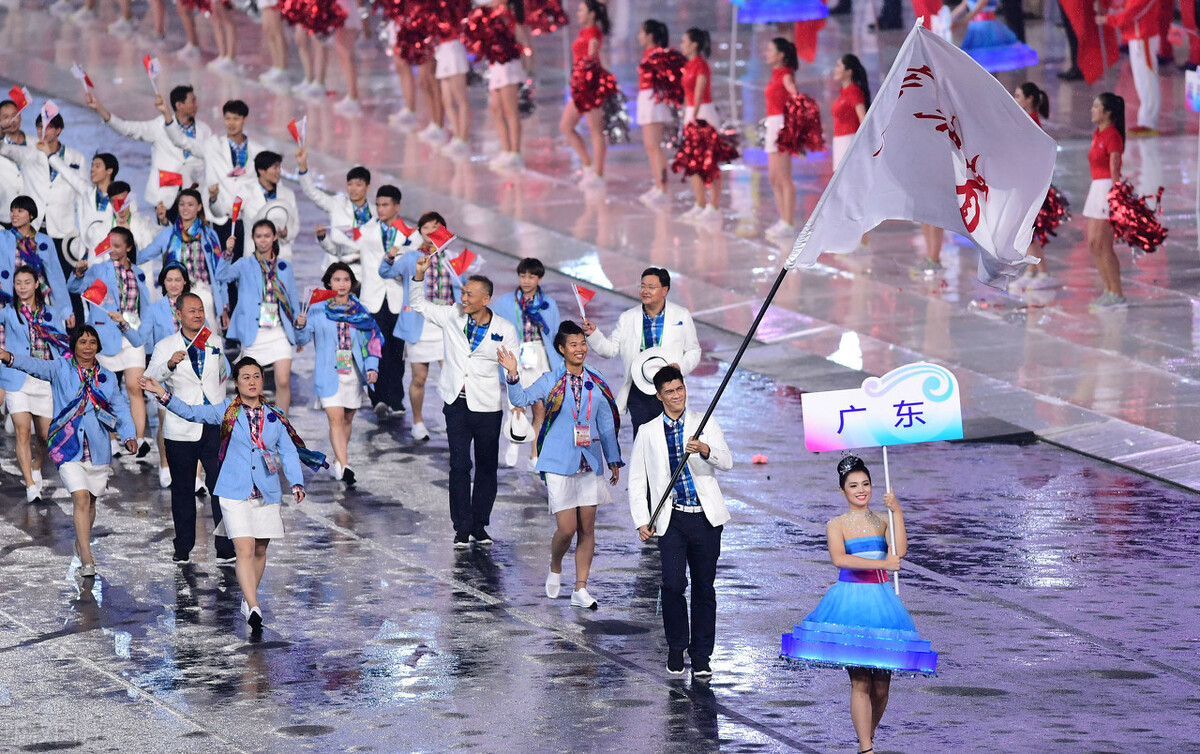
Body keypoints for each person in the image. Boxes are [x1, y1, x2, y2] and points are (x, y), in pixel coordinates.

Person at [144, 357, 321, 631]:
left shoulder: (275, 415)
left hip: (266, 490)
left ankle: (248, 598)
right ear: (236, 382)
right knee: (245, 548)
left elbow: (286, 451)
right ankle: (253, 604)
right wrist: (164, 395)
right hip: (232, 491)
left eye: (256, 376)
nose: (252, 381)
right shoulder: (226, 410)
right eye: (246, 377)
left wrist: (297, 483)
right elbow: (192, 412)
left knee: (260, 549)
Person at [780, 456, 937, 754]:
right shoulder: (836, 524)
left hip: (881, 602)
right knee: (861, 680)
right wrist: (881, 562)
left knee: (882, 685)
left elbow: (900, 550)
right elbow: (839, 559)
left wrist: (897, 512)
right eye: (853, 485)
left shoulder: (881, 520)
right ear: (843, 491)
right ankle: (866, 748)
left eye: (865, 484)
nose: (861, 490)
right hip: (850, 601)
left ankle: (868, 736)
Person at [500, 321, 621, 608]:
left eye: (582, 343)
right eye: (574, 345)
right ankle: (555, 564)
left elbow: (605, 422)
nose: (580, 349)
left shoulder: (597, 379)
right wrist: (513, 372)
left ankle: (580, 588)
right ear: (561, 349)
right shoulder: (550, 379)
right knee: (567, 528)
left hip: (589, 459)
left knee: (587, 527)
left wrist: (613, 458)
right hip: (557, 461)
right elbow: (521, 398)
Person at [0, 327, 137, 578]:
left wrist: (129, 435)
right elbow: (34, 366)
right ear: (73, 345)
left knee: (91, 500)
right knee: (81, 497)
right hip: (67, 447)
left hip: (97, 449)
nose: (87, 346)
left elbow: (120, 407)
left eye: (92, 342)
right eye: (82, 341)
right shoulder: (60, 368)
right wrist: (8, 357)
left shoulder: (106, 376)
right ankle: (86, 555)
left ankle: (81, 541)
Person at [627, 366, 732, 679]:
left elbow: (727, 461)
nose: (676, 396)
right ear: (659, 396)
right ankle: (676, 647)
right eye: (669, 392)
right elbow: (637, 479)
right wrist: (641, 521)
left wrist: (705, 449)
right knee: (672, 585)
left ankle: (701, 656)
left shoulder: (705, 422)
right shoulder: (647, 431)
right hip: (671, 520)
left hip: (705, 518)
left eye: (680, 389)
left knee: (704, 588)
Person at [407, 251, 519, 547]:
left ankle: (479, 524)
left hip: (487, 407)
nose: (464, 298)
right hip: (455, 403)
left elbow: (514, 368)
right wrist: (420, 274)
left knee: (486, 466)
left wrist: (513, 379)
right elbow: (418, 304)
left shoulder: (505, 329)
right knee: (458, 465)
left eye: (470, 294)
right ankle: (461, 526)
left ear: (486, 299)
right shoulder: (452, 315)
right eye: (463, 292)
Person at [145, 291, 238, 565]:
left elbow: (225, 375)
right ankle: (183, 547)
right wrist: (170, 365)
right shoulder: (165, 345)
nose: (198, 314)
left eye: (201, 310)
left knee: (221, 487)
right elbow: (149, 379)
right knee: (183, 490)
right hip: (180, 427)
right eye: (192, 310)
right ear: (179, 315)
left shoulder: (214, 340)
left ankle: (225, 546)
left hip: (215, 425)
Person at [582, 267, 701, 437]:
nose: (645, 291)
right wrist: (593, 334)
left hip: (670, 388)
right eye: (642, 286)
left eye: (651, 287)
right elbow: (610, 349)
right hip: (639, 393)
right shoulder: (628, 318)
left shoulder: (681, 315)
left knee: (671, 439)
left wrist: (680, 366)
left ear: (664, 290)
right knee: (643, 442)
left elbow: (693, 350)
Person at [379, 212, 464, 441]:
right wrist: (389, 256)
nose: (430, 231)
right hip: (420, 325)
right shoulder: (411, 258)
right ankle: (418, 422)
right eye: (425, 227)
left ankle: (454, 421)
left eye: (435, 226)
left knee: (454, 375)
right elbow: (385, 272)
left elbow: (463, 286)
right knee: (419, 377)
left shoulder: (453, 258)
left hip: (447, 325)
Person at [68, 228, 153, 458]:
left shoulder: (138, 272)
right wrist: (77, 273)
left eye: (117, 246)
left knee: (136, 387)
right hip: (106, 336)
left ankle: (138, 438)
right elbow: (74, 288)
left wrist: (147, 335)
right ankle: (113, 436)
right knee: (105, 391)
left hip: (131, 335)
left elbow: (145, 306)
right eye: (110, 245)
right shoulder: (98, 269)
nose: (112, 250)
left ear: (128, 247)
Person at [295, 262, 382, 484]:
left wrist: (372, 367)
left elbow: (372, 342)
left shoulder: (360, 312)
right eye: (337, 279)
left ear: (352, 284)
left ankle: (337, 461)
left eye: (346, 280)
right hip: (327, 373)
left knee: (347, 418)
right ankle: (345, 465)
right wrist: (301, 326)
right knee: (335, 418)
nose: (342, 284)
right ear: (328, 283)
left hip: (352, 374)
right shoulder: (316, 309)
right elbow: (302, 340)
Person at [0, 110, 86, 309]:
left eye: (47, 127)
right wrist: (2, 130)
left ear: (59, 130)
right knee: (30, 283)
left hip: (64, 231)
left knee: (67, 284)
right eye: (39, 127)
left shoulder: (76, 157)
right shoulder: (30, 154)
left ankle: (75, 332)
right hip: (35, 230)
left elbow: (83, 196)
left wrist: (83, 233)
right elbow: (4, 149)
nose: (42, 131)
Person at [0, 265, 69, 503]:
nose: (22, 287)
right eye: (18, 283)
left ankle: (37, 465)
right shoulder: (9, 312)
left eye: (27, 282)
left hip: (44, 379)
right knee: (22, 430)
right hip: (16, 378)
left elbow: (63, 346)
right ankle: (30, 484)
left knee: (44, 436)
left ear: (36, 284)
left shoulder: (50, 313)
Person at [346, 184, 415, 419]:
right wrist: (324, 238)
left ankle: (396, 398)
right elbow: (343, 245)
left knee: (396, 350)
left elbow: (417, 260)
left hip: (397, 298)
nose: (381, 209)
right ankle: (378, 398)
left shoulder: (410, 235)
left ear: (397, 206)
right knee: (374, 348)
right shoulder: (365, 230)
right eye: (378, 205)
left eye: (385, 205)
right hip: (372, 298)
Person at [217, 220, 299, 412]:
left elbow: (292, 301)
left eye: (267, 236)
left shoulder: (284, 267)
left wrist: (298, 333)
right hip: (254, 334)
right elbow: (222, 276)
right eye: (258, 236)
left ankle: (282, 427)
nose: (263, 241)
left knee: (283, 380)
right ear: (253, 238)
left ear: (275, 237)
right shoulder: (244, 264)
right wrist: (228, 253)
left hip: (279, 331)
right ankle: (255, 426)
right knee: (251, 388)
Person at [86, 85, 210, 209]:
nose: (197, 105)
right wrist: (100, 109)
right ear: (179, 105)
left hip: (194, 195)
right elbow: (127, 128)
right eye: (192, 101)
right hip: (166, 197)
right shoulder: (159, 126)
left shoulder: (204, 130)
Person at [494, 257, 561, 470]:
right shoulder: (505, 302)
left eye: (531, 276)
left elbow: (556, 333)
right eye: (523, 275)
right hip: (517, 355)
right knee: (517, 404)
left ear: (539, 278)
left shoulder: (548, 304)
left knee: (540, 407)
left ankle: (535, 453)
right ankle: (514, 440)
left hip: (540, 356)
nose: (526, 280)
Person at [138, 189, 225, 328]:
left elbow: (220, 272)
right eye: (182, 204)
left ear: (199, 207)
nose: (185, 208)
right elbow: (141, 257)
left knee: (206, 343)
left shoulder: (209, 235)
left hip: (204, 296)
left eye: (190, 204)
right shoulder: (167, 235)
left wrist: (224, 306)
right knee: (178, 343)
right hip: (176, 297)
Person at [145, 262, 192, 489]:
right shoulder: (154, 309)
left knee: (194, 421)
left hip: (191, 370)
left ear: (185, 282)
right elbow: (143, 340)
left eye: (177, 279)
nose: (173, 284)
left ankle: (195, 474)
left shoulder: (193, 305)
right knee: (166, 421)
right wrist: (124, 325)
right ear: (163, 283)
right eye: (169, 280)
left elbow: (206, 333)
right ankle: (165, 465)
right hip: (166, 370)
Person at [1010, 82, 1058, 291]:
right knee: (1025, 230)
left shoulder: (1031, 123)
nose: (1015, 99)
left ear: (1029, 100)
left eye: (1018, 96)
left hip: (1029, 184)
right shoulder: (1028, 121)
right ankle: (1031, 270)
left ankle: (1044, 272)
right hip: (1026, 182)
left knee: (1027, 230)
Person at [678, 27, 728, 224]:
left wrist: (695, 116)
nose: (681, 45)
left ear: (694, 44)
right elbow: (687, 95)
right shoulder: (688, 65)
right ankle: (699, 203)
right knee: (693, 162)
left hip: (703, 114)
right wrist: (686, 114)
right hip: (691, 112)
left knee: (709, 161)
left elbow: (699, 92)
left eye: (684, 41)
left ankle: (714, 206)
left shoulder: (701, 65)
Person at [561, 0, 614, 188]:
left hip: (589, 86)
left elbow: (592, 57)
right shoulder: (583, 32)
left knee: (596, 131)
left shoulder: (593, 32)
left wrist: (587, 78)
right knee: (566, 126)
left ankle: (598, 174)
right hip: (579, 85)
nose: (578, 13)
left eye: (582, 10)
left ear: (592, 14)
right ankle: (588, 165)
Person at [214, 151, 301, 260]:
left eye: (279, 168)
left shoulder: (288, 194)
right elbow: (223, 212)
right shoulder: (245, 192)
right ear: (261, 171)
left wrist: (286, 233)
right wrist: (213, 199)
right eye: (275, 168)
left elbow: (295, 224)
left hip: (282, 258)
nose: (279, 172)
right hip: (253, 258)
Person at [0, 196, 74, 325]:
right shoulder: (2, 237)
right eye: (12, 210)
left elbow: (55, 277)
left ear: (31, 215)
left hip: (35, 301)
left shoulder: (43, 241)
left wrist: (65, 310)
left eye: (20, 210)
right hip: (7, 301)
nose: (14, 215)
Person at [297, 146, 372, 271]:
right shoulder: (337, 204)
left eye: (358, 185)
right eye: (350, 185)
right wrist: (303, 167)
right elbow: (312, 193)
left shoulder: (375, 213)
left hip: (363, 273)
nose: (353, 189)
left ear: (367, 187)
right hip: (337, 270)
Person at [1083, 93, 1127, 310]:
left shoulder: (1112, 136)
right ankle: (1108, 290)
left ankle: (1116, 293)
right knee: (1093, 244)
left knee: (1104, 244)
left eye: (1096, 106)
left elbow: (1115, 168)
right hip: (1095, 189)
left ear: (1108, 112)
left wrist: (1117, 198)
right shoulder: (1097, 133)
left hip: (1107, 189)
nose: (1092, 110)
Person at [1100, 0, 1161, 137]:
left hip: (1143, 36)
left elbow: (1132, 12)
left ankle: (1149, 122)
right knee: (1142, 80)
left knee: (1147, 80)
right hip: (1136, 36)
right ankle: (1146, 120)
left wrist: (1108, 19)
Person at [483, 0, 528, 170]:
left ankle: (515, 152)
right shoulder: (492, 17)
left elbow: (522, 41)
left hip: (508, 66)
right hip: (497, 66)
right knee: (496, 109)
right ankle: (506, 149)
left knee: (511, 110)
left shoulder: (509, 18)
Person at [764, 37, 799, 239]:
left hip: (782, 126)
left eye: (770, 50)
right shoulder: (774, 74)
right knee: (773, 177)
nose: (766, 53)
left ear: (781, 55)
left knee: (784, 177)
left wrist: (791, 127)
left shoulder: (786, 75)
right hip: (772, 124)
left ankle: (789, 221)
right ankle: (782, 219)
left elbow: (797, 100)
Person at [636, 19, 674, 205]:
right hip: (645, 98)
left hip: (654, 100)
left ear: (650, 36)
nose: (639, 36)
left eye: (642, 32)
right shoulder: (647, 54)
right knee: (649, 146)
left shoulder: (658, 55)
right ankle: (658, 184)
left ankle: (663, 187)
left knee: (655, 145)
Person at [433, 1, 473, 156]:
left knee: (461, 99)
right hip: (443, 50)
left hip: (454, 48)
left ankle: (463, 139)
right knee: (447, 100)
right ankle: (457, 137)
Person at [830, 54, 869, 170]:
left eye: (838, 66)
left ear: (848, 72)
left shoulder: (854, 92)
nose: (834, 69)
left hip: (849, 141)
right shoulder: (844, 92)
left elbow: (863, 119)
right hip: (840, 141)